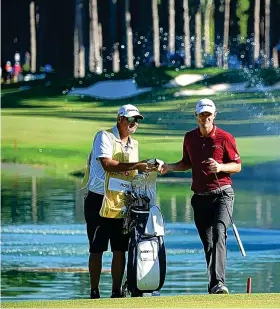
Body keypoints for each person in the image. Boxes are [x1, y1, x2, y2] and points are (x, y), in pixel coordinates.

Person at [161, 98, 242, 294]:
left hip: (223, 194)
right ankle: (213, 285)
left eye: (208, 114)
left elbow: (237, 165)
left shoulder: (225, 137)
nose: (205, 118)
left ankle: (219, 283)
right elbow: (186, 162)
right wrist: (168, 167)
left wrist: (221, 166)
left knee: (218, 233)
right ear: (196, 116)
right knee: (208, 243)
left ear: (214, 115)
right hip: (199, 197)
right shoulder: (189, 137)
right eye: (202, 114)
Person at [80, 104, 158, 299]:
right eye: (130, 119)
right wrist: (136, 165)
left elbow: (130, 172)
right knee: (97, 248)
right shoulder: (104, 137)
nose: (133, 124)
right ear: (119, 120)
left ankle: (116, 293)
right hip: (99, 200)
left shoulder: (134, 144)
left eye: (136, 120)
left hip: (122, 201)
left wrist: (149, 167)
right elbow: (107, 165)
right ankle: (94, 292)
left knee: (120, 248)